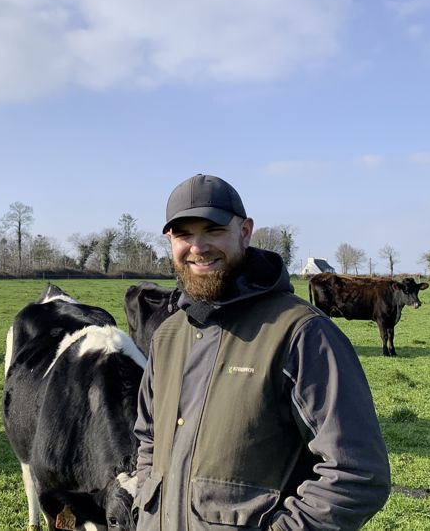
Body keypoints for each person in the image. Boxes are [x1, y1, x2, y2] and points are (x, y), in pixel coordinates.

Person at [134, 174, 391, 530]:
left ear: (245, 231)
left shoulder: (301, 333)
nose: (198, 246)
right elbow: (148, 440)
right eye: (184, 234)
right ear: (169, 240)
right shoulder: (167, 337)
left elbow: (357, 473)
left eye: (213, 229)